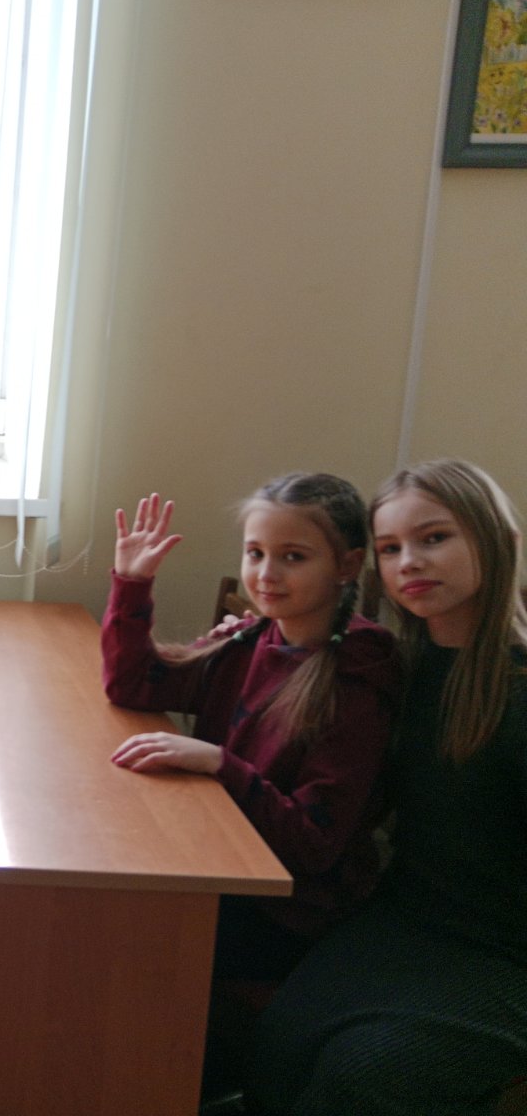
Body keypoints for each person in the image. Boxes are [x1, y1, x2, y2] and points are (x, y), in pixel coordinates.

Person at [248, 459, 527, 1116]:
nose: (410, 562)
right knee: (275, 1053)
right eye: (391, 547)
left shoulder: (518, 691)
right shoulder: (404, 669)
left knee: (363, 1076)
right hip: (409, 918)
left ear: (496, 539)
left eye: (434, 538)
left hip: (509, 954)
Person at [103, 474, 400, 983]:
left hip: (287, 913)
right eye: (255, 553)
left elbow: (312, 844)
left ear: (347, 566)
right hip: (223, 861)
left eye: (293, 557)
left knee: (112, 929)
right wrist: (132, 584)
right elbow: (134, 686)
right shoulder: (251, 637)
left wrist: (219, 763)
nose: (266, 574)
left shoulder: (355, 681)